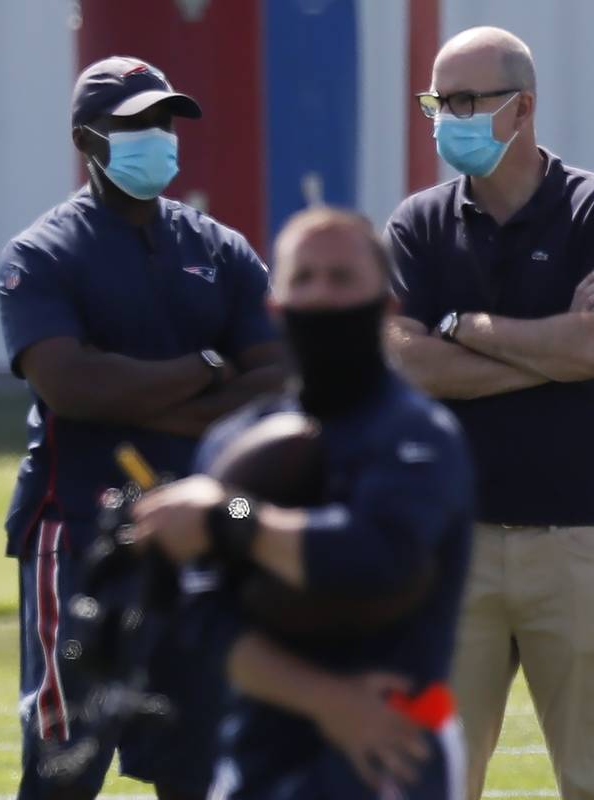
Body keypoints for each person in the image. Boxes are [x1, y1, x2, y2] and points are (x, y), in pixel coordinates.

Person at [0, 55, 288, 799]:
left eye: (162, 121)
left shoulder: (218, 249)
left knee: (203, 760)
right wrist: (208, 366)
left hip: (204, 530)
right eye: (132, 125)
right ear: (86, 139)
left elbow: (281, 375)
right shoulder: (43, 253)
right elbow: (70, 385)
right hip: (82, 531)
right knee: (68, 754)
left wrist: (146, 393)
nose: (154, 137)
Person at [132, 207, 473, 799]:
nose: (322, 295)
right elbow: (205, 618)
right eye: (304, 278)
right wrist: (329, 701)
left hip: (390, 748)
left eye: (342, 278)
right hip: (257, 756)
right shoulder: (235, 442)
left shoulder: (419, 435)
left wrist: (230, 518)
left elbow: (376, 558)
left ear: (385, 306)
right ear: (276, 306)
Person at [385, 26, 594, 800]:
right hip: (453, 544)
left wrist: (464, 327)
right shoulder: (418, 224)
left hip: (582, 540)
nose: (445, 117)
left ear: (522, 108)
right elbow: (404, 362)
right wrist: (550, 351)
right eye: (437, 100)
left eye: (465, 100)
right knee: (433, 780)